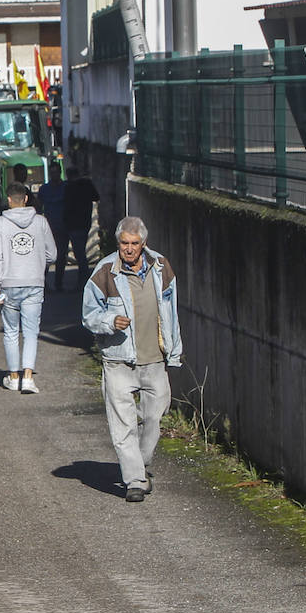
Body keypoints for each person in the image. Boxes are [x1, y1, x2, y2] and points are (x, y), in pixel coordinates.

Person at [81, 216, 183, 503]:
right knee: (122, 424)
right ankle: (135, 481)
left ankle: (140, 463)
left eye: (134, 244)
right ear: (118, 243)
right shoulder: (104, 272)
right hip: (118, 361)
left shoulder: (161, 267)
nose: (128, 249)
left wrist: (174, 350)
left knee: (155, 417)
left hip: (154, 359)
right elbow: (88, 315)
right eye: (124, 243)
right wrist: (110, 320)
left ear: (143, 244)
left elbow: (172, 311)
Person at [0, 182, 56, 394]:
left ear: (9, 199)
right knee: (31, 332)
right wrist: (37, 264)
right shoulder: (41, 222)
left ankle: (13, 376)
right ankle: (28, 377)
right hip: (34, 283)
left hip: (8, 284)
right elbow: (52, 254)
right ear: (26, 198)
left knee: (10, 332)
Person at [62, 167, 100, 289]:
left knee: (79, 254)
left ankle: (85, 280)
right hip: (85, 222)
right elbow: (96, 197)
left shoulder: (69, 187)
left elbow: (66, 205)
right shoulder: (86, 184)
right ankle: (84, 279)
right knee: (80, 252)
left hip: (73, 224)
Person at [37, 164, 68, 290]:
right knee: (45, 257)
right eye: (52, 173)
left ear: (60, 172)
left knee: (61, 256)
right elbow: (38, 206)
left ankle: (58, 284)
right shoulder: (44, 189)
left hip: (63, 227)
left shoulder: (66, 188)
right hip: (48, 228)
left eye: (56, 172)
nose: (54, 175)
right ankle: (43, 284)